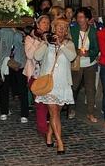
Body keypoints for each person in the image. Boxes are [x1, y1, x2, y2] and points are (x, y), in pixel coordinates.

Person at [34, 17, 76, 154]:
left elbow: (72, 57)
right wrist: (46, 43)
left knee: (56, 112)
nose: (62, 29)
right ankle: (60, 142)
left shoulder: (69, 43)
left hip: (63, 83)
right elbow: (37, 56)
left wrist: (61, 45)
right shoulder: (46, 42)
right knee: (53, 112)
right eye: (59, 26)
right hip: (49, 84)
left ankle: (49, 135)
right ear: (54, 28)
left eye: (64, 27)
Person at [0, 28, 29, 123]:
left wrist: (16, 32)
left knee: (22, 88)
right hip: (4, 62)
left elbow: (23, 43)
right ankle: (4, 111)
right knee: (4, 88)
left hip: (19, 62)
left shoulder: (20, 30)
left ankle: (24, 113)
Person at [69, 7, 100, 122]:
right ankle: (71, 108)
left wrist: (89, 53)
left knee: (90, 89)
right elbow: (68, 43)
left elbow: (97, 48)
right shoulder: (73, 29)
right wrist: (76, 51)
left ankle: (91, 112)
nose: (79, 19)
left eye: (82, 17)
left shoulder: (93, 31)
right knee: (74, 87)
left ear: (87, 19)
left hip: (90, 63)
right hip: (76, 63)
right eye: (78, 17)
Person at [24, 14, 52, 136]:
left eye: (48, 23)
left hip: (48, 74)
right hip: (35, 75)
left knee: (49, 103)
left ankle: (49, 124)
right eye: (43, 22)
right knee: (40, 103)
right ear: (37, 24)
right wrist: (40, 41)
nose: (46, 25)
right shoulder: (30, 39)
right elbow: (30, 55)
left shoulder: (51, 37)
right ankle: (43, 129)